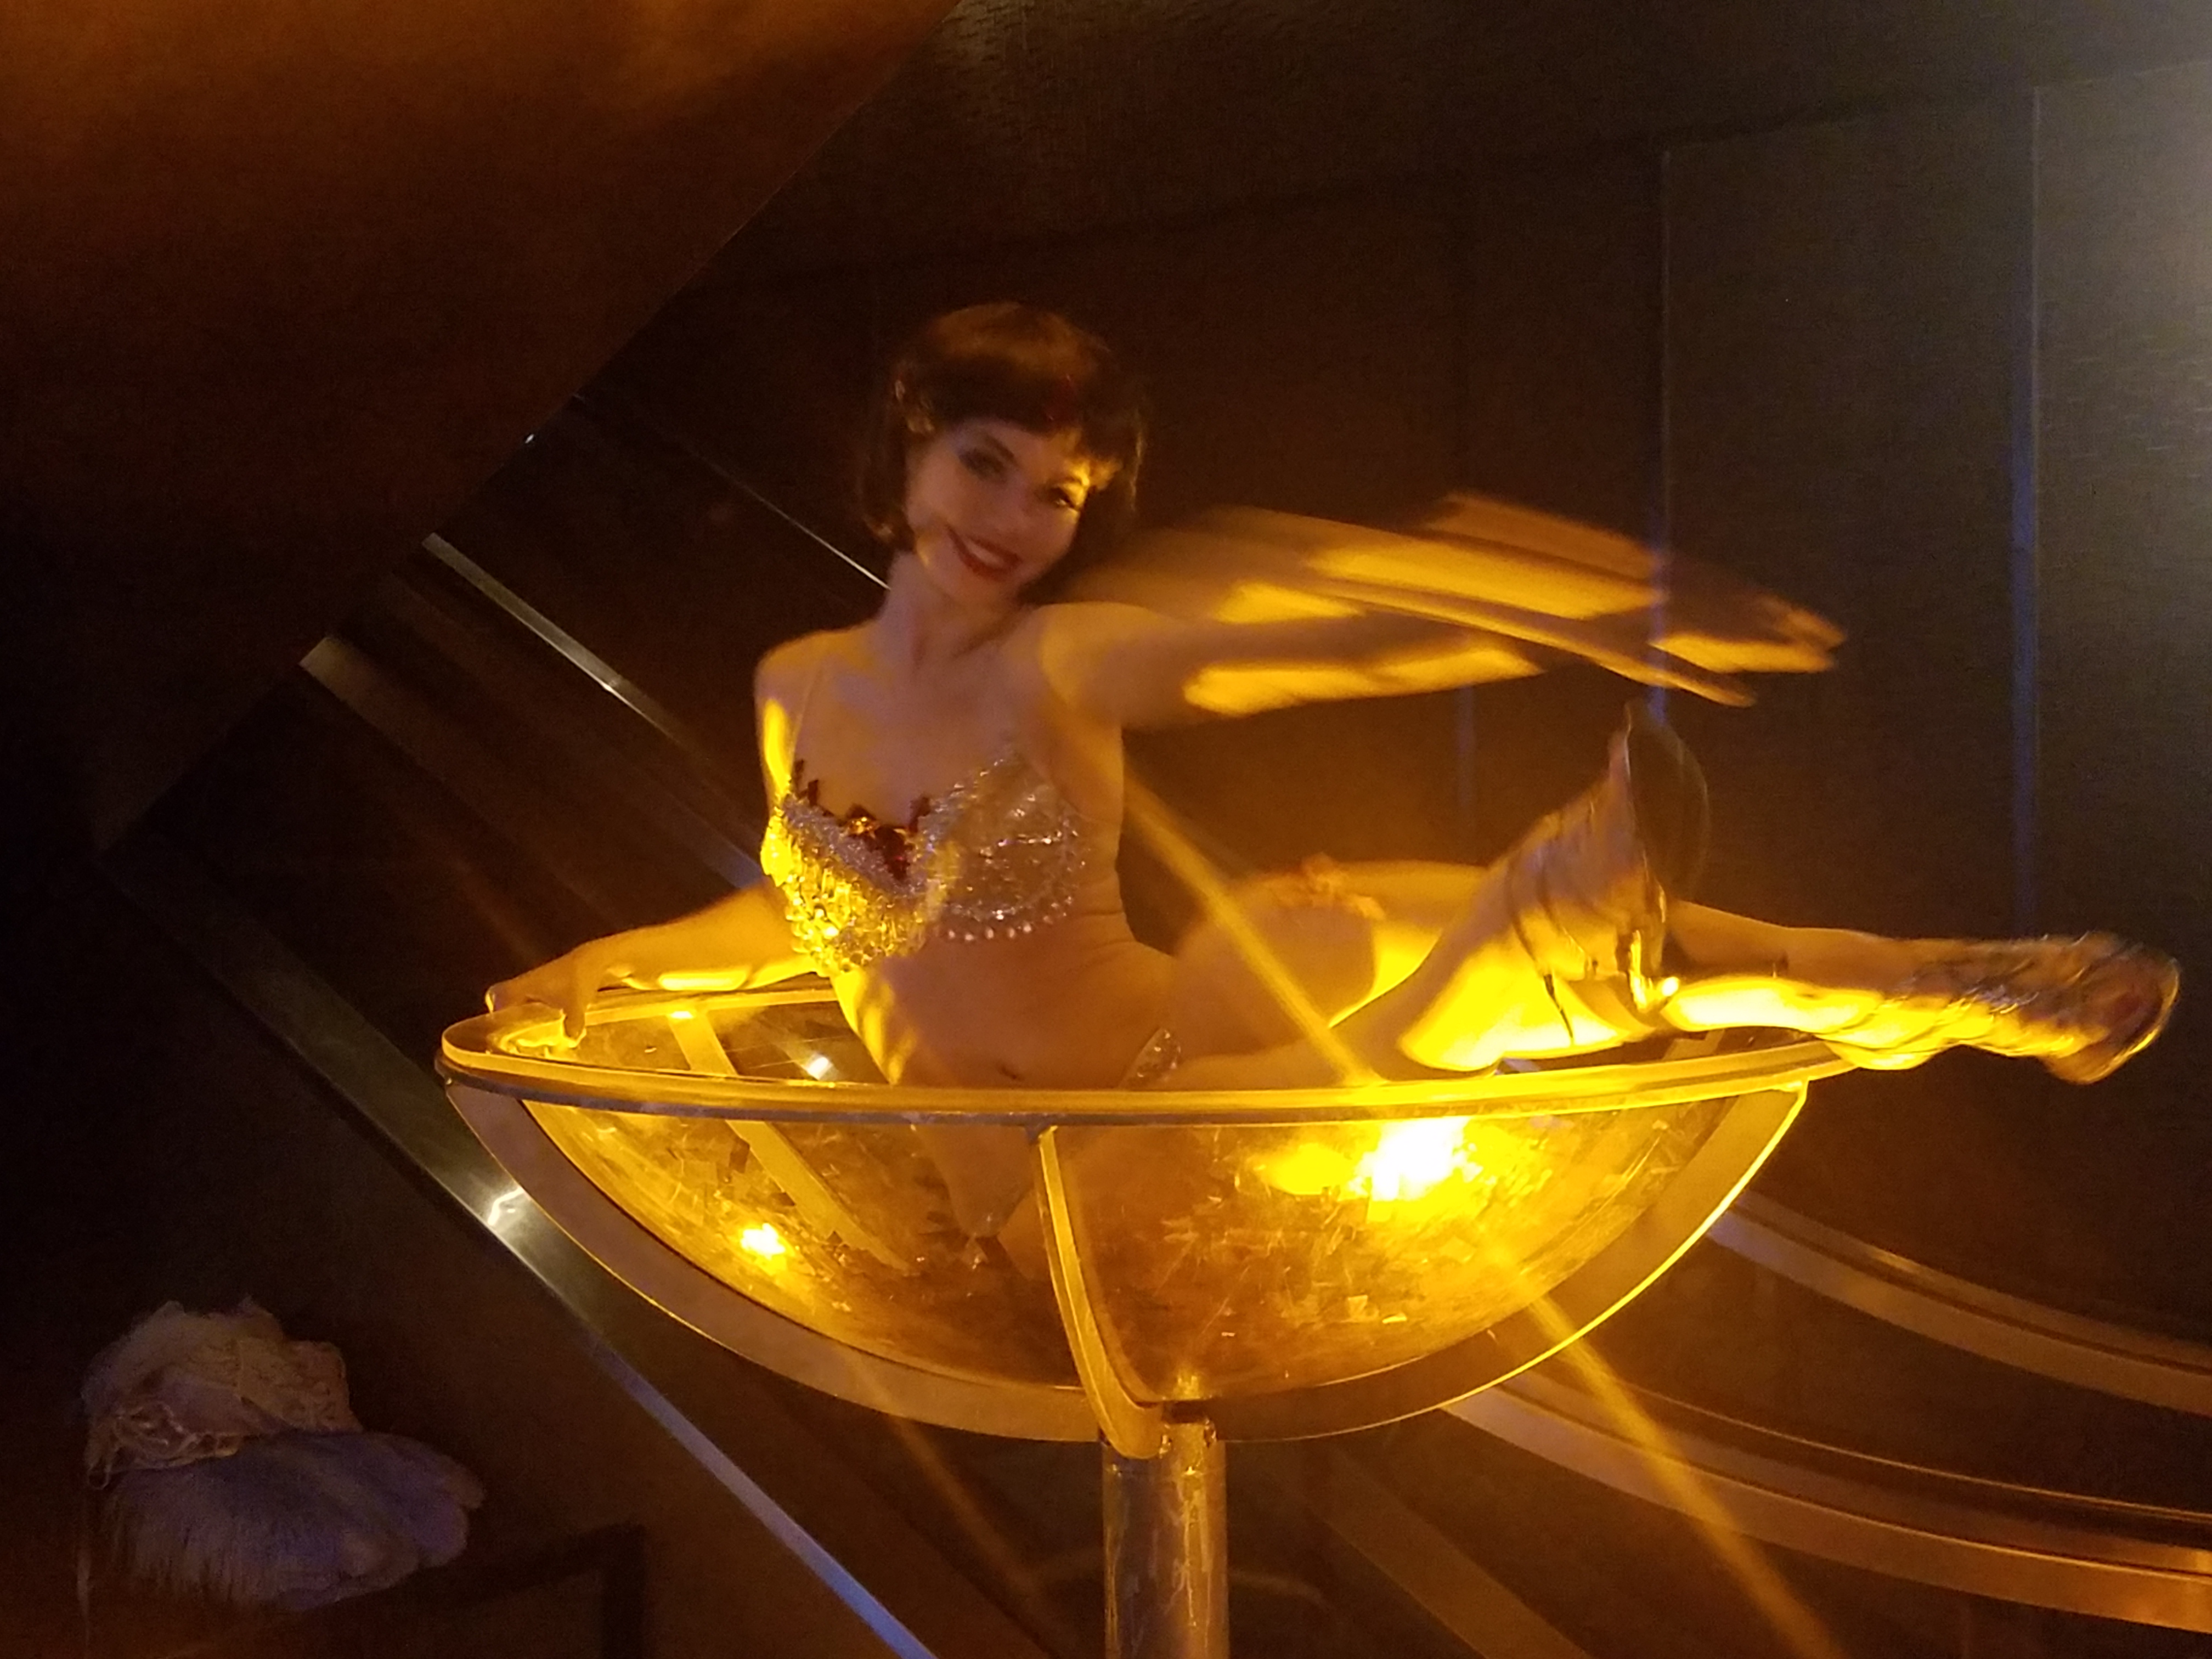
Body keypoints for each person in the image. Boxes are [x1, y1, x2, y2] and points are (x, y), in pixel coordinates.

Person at [489, 303, 2177, 1234]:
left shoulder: (1058, 664)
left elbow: (1310, 623)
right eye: (987, 465)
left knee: (1395, 924)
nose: (1016, 519)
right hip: (1082, 1171)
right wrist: (593, 973)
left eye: (1059, 493)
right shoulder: (794, 686)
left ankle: (1976, 985)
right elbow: (821, 922)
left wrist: (1575, 609)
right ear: (906, 454)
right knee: (1410, 1022)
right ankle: (1541, 941)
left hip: (1186, 1033)